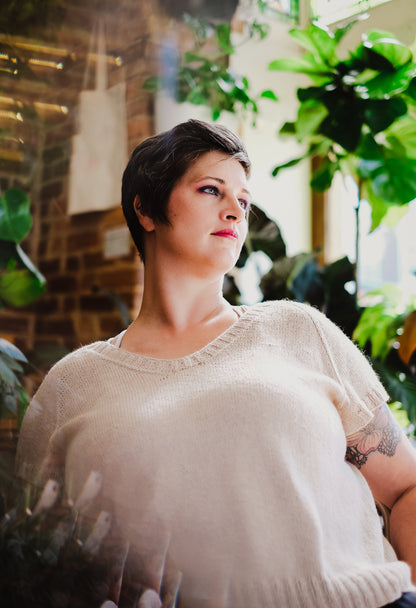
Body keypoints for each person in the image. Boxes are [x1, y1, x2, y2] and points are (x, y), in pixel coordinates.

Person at [15, 119, 416, 608]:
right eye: (211, 189)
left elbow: (406, 489)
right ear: (145, 208)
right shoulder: (70, 385)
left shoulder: (297, 329)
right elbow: (32, 561)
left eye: (243, 200)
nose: (235, 211)